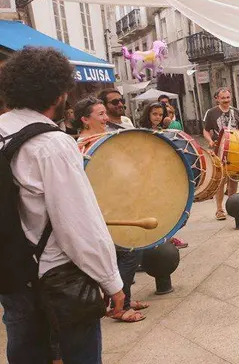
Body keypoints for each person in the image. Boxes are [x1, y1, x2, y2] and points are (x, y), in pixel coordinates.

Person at [0, 47, 125, 362]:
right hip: (57, 275)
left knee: (25, 349)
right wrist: (112, 280)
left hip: (11, 274)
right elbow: (77, 224)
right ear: (58, 93)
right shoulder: (53, 144)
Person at [72, 97, 149, 322]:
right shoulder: (81, 146)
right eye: (101, 114)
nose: (107, 118)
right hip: (104, 210)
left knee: (126, 253)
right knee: (127, 252)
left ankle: (123, 297)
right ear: (85, 120)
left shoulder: (103, 139)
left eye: (106, 113)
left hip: (118, 204)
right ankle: (120, 306)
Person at [203, 87, 239, 221]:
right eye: (223, 98)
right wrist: (209, 140)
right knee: (221, 180)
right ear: (217, 99)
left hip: (235, 150)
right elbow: (205, 130)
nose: (226, 100)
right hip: (219, 150)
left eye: (228, 97)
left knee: (234, 179)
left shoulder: (237, 112)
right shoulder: (211, 113)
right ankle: (219, 209)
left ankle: (232, 206)